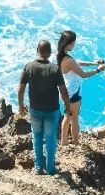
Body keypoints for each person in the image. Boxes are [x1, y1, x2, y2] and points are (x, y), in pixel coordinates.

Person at [17, 39, 72, 175]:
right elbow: (63, 91)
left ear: (38, 50)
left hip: (35, 109)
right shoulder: (54, 68)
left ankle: (38, 168)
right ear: (50, 52)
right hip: (51, 110)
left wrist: (21, 107)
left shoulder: (29, 67)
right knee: (50, 138)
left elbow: (21, 89)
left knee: (36, 136)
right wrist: (67, 107)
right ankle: (51, 168)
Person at [56, 30, 105, 147]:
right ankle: (75, 142)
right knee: (73, 118)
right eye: (73, 43)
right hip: (72, 92)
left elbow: (77, 63)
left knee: (68, 116)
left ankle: (64, 142)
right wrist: (98, 70)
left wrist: (94, 63)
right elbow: (84, 75)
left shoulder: (62, 55)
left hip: (67, 91)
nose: (74, 45)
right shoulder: (69, 60)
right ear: (68, 44)